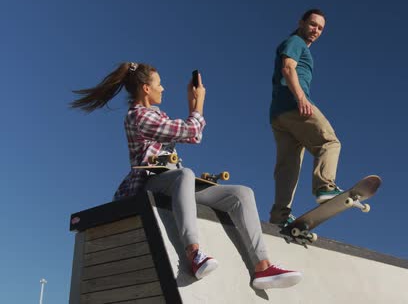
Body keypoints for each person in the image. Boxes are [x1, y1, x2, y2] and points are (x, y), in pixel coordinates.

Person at [71, 62, 302, 290]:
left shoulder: (156, 115)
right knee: (185, 174)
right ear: (146, 88)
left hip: (174, 180)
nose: (163, 89)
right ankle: (193, 254)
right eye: (159, 84)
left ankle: (263, 266)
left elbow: (193, 134)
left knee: (241, 194)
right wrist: (199, 103)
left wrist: (194, 110)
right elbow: (192, 132)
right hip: (149, 182)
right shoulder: (138, 117)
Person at [269, 9, 343, 226]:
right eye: (312, 24)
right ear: (301, 22)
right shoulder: (296, 42)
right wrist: (301, 98)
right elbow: (288, 67)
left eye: (320, 28)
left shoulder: (296, 44)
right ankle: (325, 187)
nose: (316, 31)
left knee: (288, 167)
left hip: (278, 114)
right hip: (294, 106)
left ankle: (279, 216)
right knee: (329, 142)